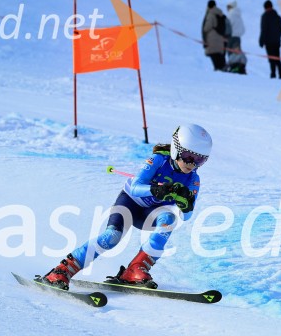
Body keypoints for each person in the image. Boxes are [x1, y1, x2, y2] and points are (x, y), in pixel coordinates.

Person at [42, 124, 213, 290]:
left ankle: (136, 269)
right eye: (188, 156)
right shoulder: (158, 160)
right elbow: (135, 187)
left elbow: (186, 216)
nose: (192, 164)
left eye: (200, 160)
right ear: (176, 149)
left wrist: (185, 204)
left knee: (169, 219)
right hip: (130, 203)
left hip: (150, 214)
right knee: (112, 237)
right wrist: (155, 190)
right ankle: (62, 270)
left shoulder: (193, 179)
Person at [259, 0, 281, 79]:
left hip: (269, 42)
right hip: (276, 42)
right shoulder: (277, 16)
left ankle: (273, 75)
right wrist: (277, 37)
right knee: (277, 59)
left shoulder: (265, 16)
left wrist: (261, 41)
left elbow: (263, 30)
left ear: (265, 8)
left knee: (271, 59)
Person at [202, 0, 226, 71]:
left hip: (212, 38)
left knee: (214, 55)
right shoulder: (220, 14)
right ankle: (222, 68)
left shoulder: (211, 14)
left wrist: (204, 29)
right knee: (218, 55)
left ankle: (218, 70)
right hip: (220, 38)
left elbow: (207, 27)